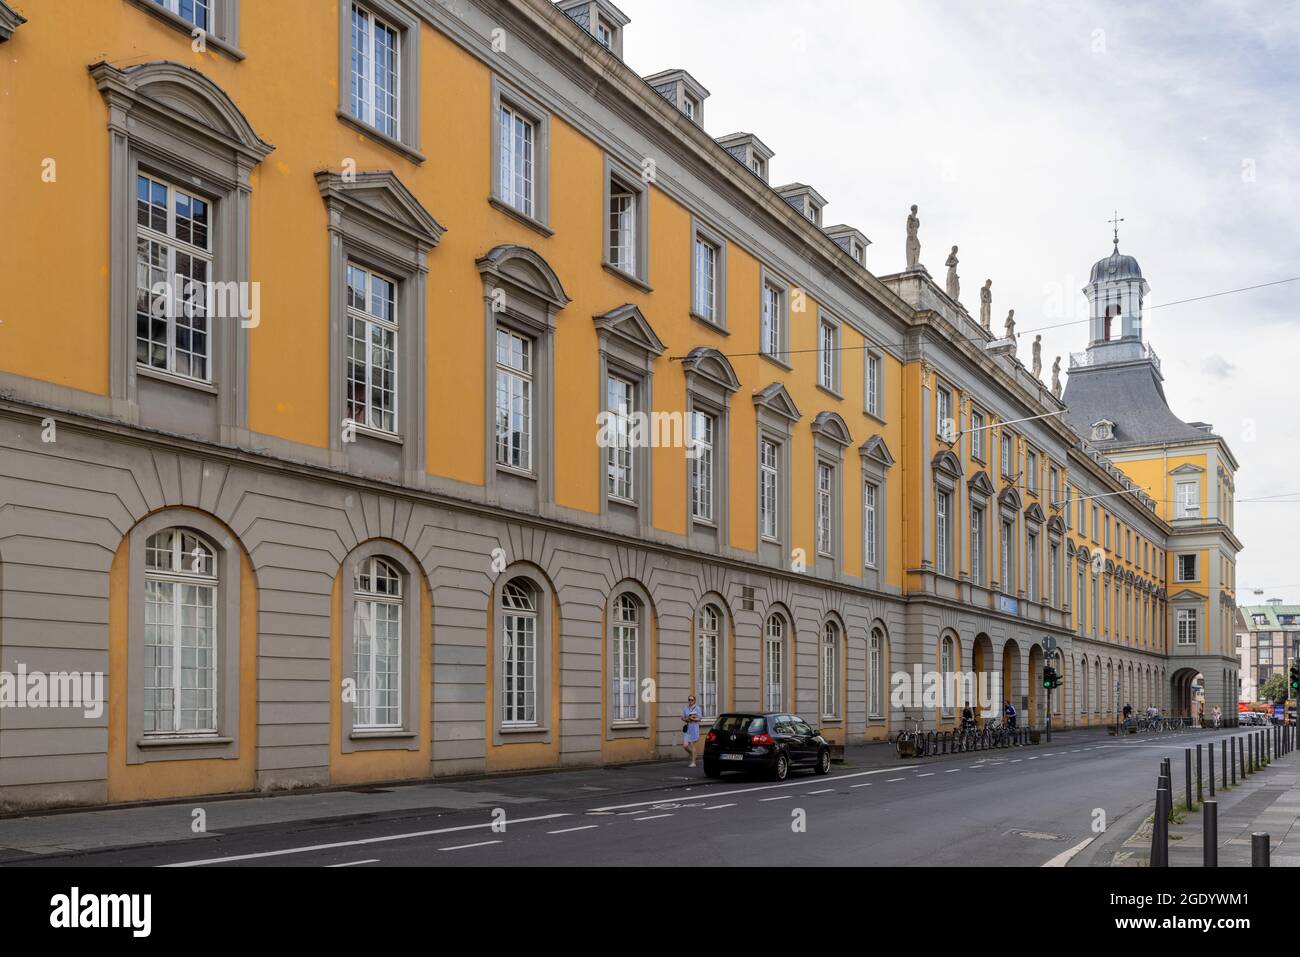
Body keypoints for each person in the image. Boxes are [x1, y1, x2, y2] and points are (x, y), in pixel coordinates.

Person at [682, 694, 702, 768]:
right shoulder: (685, 708)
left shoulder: (697, 708)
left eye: (692, 700)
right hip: (688, 728)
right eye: (689, 700)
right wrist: (686, 719)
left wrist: (693, 719)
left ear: (694, 701)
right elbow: (682, 718)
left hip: (694, 728)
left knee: (692, 744)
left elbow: (700, 719)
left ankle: (693, 762)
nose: (690, 701)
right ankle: (692, 753)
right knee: (685, 745)